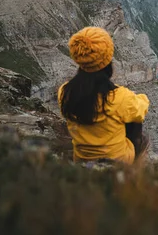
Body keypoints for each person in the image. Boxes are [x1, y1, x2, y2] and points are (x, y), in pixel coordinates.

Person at [58, 26, 150, 164]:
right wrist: (136, 97)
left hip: (81, 159)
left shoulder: (65, 91)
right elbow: (141, 110)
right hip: (118, 162)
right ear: (108, 60)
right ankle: (134, 172)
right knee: (138, 128)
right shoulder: (120, 97)